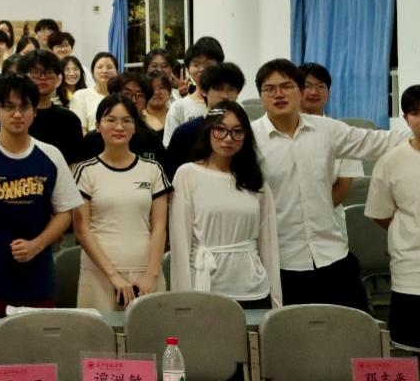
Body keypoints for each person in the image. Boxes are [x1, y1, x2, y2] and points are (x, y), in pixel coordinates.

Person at [252, 59, 401, 310]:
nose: (278, 94)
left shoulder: (326, 130)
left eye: (286, 86)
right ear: (260, 95)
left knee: (352, 327)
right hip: (281, 261)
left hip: (331, 253)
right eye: (270, 88)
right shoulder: (249, 139)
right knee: (290, 331)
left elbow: (377, 142)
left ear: (300, 90)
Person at [0, 75, 83, 315]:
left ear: (34, 111)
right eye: (8, 107)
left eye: (24, 107)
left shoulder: (51, 155)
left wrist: (36, 245)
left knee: (38, 339)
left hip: (36, 280)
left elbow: (65, 214)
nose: (17, 114)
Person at [365, 84, 420, 381]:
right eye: (416, 112)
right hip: (415, 278)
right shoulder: (391, 162)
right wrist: (416, 235)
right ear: (405, 118)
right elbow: (381, 214)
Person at [170, 102, 281, 308]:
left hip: (254, 289)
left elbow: (269, 245)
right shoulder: (187, 174)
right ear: (208, 131)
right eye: (220, 129)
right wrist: (183, 302)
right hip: (205, 288)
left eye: (237, 131)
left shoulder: (255, 181)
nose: (228, 138)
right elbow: (180, 244)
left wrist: (276, 302)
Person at [72, 95, 170, 311]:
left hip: (145, 274)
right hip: (99, 274)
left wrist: (151, 274)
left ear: (135, 127)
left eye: (126, 120)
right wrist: (114, 276)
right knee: (99, 332)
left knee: (149, 331)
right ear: (98, 125)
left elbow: (159, 227)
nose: (119, 127)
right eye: (111, 120)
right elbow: (82, 230)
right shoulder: (85, 171)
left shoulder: (153, 169)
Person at [300, 62, 366, 207]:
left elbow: (344, 185)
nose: (314, 92)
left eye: (321, 86)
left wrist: (319, 212)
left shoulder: (341, 132)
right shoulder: (283, 130)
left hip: (329, 215)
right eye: (307, 86)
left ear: (328, 93)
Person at [165, 63, 245, 178]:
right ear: (204, 91)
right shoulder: (185, 133)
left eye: (231, 89)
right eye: (218, 88)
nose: (225, 96)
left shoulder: (242, 131)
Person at [77, 72, 168, 166]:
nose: (133, 100)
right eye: (127, 94)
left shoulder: (152, 141)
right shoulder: (93, 140)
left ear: (146, 102)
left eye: (140, 95)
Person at [18, 50, 84, 164]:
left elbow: (74, 163)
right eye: (35, 72)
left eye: (49, 72)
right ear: (23, 76)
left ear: (58, 79)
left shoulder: (70, 120)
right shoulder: (15, 117)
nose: (43, 77)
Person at [164, 37, 225, 144]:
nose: (201, 69)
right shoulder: (178, 107)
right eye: (196, 65)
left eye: (208, 64)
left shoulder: (231, 105)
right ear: (188, 69)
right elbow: (171, 147)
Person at [68, 52, 118, 133]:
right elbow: (80, 131)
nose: (104, 71)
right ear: (92, 71)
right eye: (100, 67)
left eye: (109, 67)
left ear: (117, 71)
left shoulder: (121, 96)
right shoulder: (81, 95)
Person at [143, 72, 173, 137]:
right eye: (152, 88)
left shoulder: (176, 115)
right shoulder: (138, 119)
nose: (156, 92)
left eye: (161, 88)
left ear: (169, 92)